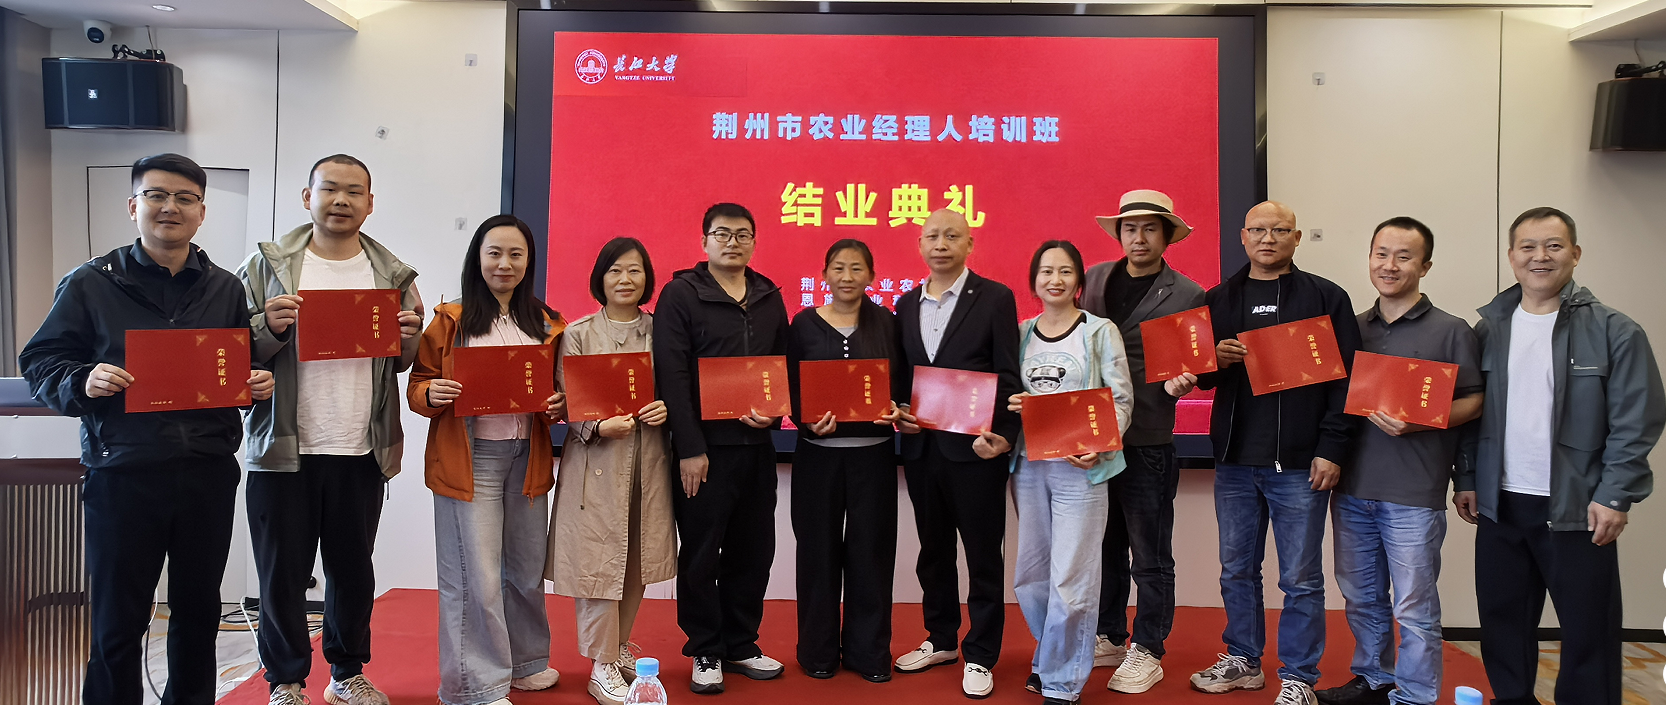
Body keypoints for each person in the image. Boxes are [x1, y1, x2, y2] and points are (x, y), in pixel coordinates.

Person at [20, 153, 275, 705]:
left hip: (206, 472)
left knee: (198, 616)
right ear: (133, 206)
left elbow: (238, 364)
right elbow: (39, 360)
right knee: (119, 622)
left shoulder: (224, 288)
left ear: (201, 212)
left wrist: (256, 382)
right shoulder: (91, 283)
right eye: (157, 195)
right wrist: (82, 379)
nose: (170, 207)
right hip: (122, 473)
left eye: (185, 198)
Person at [237, 154, 425, 705]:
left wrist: (410, 337)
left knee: (352, 571)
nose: (341, 200)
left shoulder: (393, 275)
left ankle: (346, 674)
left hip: (360, 447)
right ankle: (286, 681)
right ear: (307, 197)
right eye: (329, 189)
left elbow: (403, 361)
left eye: (353, 192)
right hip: (282, 446)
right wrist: (268, 329)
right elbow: (231, 351)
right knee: (281, 573)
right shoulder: (266, 267)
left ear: (370, 203)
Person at [1461, 207, 1664, 705]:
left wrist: (1615, 495)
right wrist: (1466, 477)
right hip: (1501, 504)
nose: (1540, 256)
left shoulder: (1616, 330)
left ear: (1575, 254)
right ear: (1512, 256)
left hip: (1578, 506)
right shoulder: (1489, 329)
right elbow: (1470, 412)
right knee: (1503, 623)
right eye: (1528, 246)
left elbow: (1637, 420)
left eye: (1553, 246)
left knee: (1588, 629)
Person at [1175, 201, 1361, 705]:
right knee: (1236, 569)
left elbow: (1347, 381)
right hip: (1235, 461)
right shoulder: (1219, 298)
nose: (1268, 238)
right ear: (1243, 236)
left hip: (1300, 464)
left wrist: (1332, 447)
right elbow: (1201, 376)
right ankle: (1243, 660)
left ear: (1296, 239)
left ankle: (1299, 677)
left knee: (1300, 577)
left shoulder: (1325, 297)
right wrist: (1213, 360)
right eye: (1258, 229)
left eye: (1280, 230)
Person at [1316, 217, 1483, 705]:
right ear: (1369, 258)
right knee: (1361, 597)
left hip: (1414, 492)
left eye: (1404, 257)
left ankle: (1414, 695)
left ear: (1425, 266)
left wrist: (1423, 420)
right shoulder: (1350, 328)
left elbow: (1476, 401)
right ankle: (1374, 679)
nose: (1389, 265)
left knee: (1414, 606)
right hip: (1352, 488)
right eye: (1381, 254)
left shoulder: (1451, 330)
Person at [407, 215, 566, 705]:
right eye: (494, 253)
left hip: (527, 457)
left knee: (525, 569)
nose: (505, 264)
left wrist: (559, 404)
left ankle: (525, 663)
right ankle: (476, 684)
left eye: (516, 254)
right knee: (474, 576)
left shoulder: (546, 322)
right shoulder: (451, 320)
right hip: (471, 458)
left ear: (529, 262)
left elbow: (561, 391)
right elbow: (418, 386)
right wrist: (432, 392)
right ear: (477, 258)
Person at [653, 203, 791, 694]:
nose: (733, 242)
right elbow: (672, 373)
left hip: (757, 446)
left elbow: (781, 366)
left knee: (753, 551)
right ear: (705, 241)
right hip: (704, 453)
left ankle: (741, 643)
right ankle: (705, 648)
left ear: (754, 241)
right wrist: (690, 447)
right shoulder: (681, 294)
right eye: (722, 234)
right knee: (701, 554)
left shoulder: (768, 295)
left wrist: (775, 414)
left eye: (743, 235)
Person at [1079, 189, 1207, 693]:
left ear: (1167, 236)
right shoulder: (1092, 279)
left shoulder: (1188, 294)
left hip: (1149, 438)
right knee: (1104, 547)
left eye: (1150, 228)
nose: (1138, 237)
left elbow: (1195, 364)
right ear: (1119, 233)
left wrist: (1186, 380)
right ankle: (1110, 635)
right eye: (1130, 228)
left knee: (1150, 555)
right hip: (1095, 438)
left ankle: (1149, 647)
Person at [892, 208, 1023, 699]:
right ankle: (942, 637)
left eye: (952, 236)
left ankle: (982, 653)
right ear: (920, 246)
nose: (941, 244)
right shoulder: (905, 304)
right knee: (933, 551)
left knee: (983, 555)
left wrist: (1004, 435)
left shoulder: (995, 298)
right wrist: (899, 410)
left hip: (976, 450)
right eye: (932, 236)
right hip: (922, 448)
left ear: (970, 244)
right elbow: (904, 376)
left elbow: (1008, 373)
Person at [547, 237, 677, 705]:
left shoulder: (663, 331)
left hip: (648, 460)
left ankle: (618, 645)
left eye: (635, 270)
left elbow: (677, 388)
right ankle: (601, 665)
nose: (625, 279)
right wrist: (597, 425)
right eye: (615, 270)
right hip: (597, 463)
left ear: (648, 278)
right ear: (600, 278)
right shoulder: (579, 334)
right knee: (598, 562)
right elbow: (564, 401)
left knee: (638, 557)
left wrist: (666, 409)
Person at [1006, 240, 1135, 705]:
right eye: (1046, 271)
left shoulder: (1099, 331)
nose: (1055, 280)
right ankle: (1050, 655)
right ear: (1034, 281)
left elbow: (1121, 399)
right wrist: (1011, 404)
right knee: (1031, 576)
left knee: (1072, 578)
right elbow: (1006, 394)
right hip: (1029, 467)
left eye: (1064, 271)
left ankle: (1062, 680)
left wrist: (1099, 444)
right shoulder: (1021, 333)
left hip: (1081, 472)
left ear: (1079, 280)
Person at [785, 239, 905, 684]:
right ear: (824, 275)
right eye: (838, 267)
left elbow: (903, 383)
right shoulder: (803, 323)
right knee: (816, 556)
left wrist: (898, 408)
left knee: (871, 555)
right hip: (817, 459)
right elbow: (789, 385)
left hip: (873, 457)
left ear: (871, 276)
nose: (847, 276)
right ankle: (817, 652)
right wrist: (805, 420)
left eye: (857, 268)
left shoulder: (888, 322)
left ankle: (868, 653)